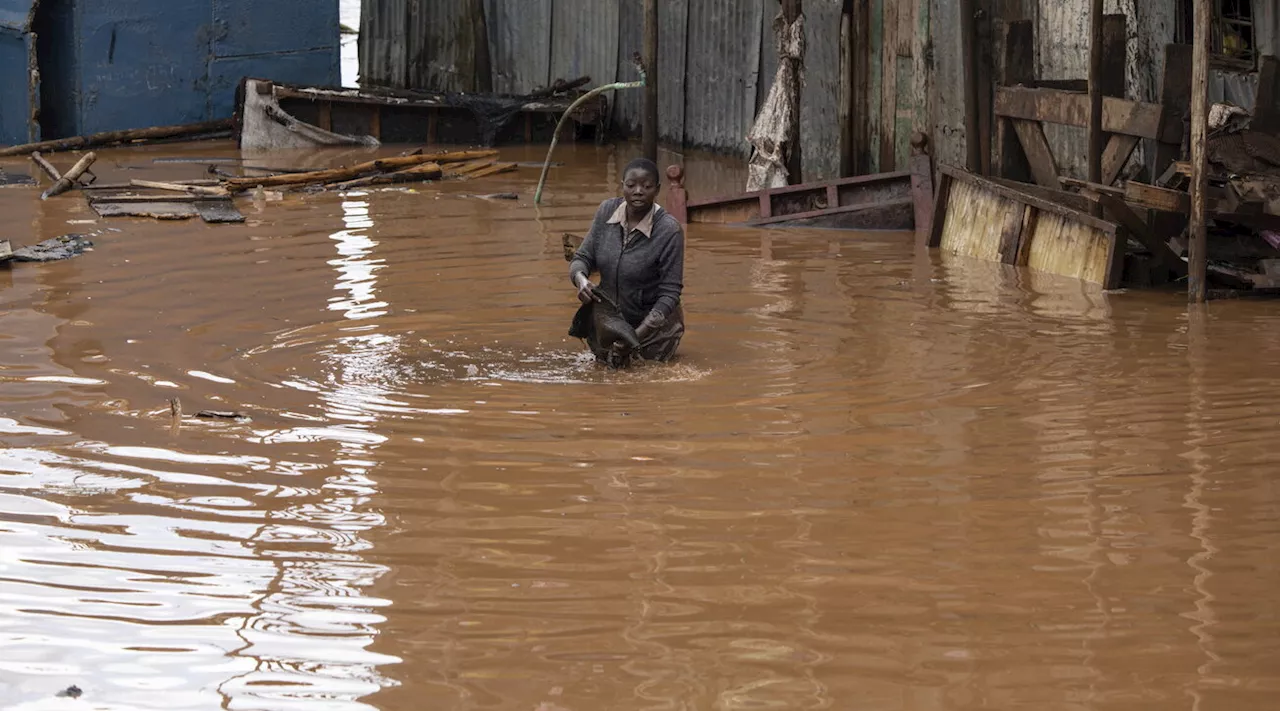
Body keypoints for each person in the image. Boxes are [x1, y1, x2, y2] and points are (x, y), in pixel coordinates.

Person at [568, 157, 685, 366]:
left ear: (657, 189)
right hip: (609, 324)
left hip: (653, 332)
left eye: (646, 186)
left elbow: (669, 295)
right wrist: (581, 279)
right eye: (631, 185)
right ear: (622, 186)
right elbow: (582, 257)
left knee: (646, 384)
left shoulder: (669, 230)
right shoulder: (606, 211)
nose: (638, 191)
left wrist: (635, 338)